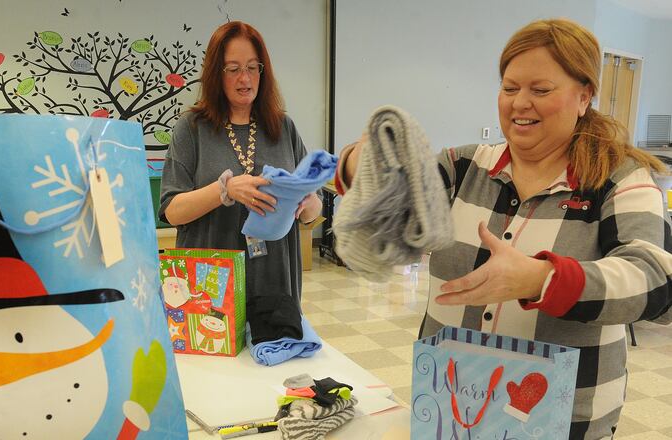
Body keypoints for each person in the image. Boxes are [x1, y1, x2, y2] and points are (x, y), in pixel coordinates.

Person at [335, 18, 672, 439]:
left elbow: (655, 281)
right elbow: (394, 208)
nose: (519, 103)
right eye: (509, 88)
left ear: (585, 95)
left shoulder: (620, 180)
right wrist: (359, 161)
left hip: (566, 421)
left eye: (540, 90)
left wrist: (541, 278)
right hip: (453, 408)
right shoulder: (460, 167)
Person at [159, 22, 322, 331]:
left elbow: (312, 213)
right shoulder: (192, 129)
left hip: (276, 285)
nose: (244, 79)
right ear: (215, 74)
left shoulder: (283, 128)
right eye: (232, 69)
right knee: (215, 374)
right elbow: (172, 210)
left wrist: (308, 202)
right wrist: (225, 190)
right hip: (210, 285)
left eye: (252, 67)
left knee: (274, 369)